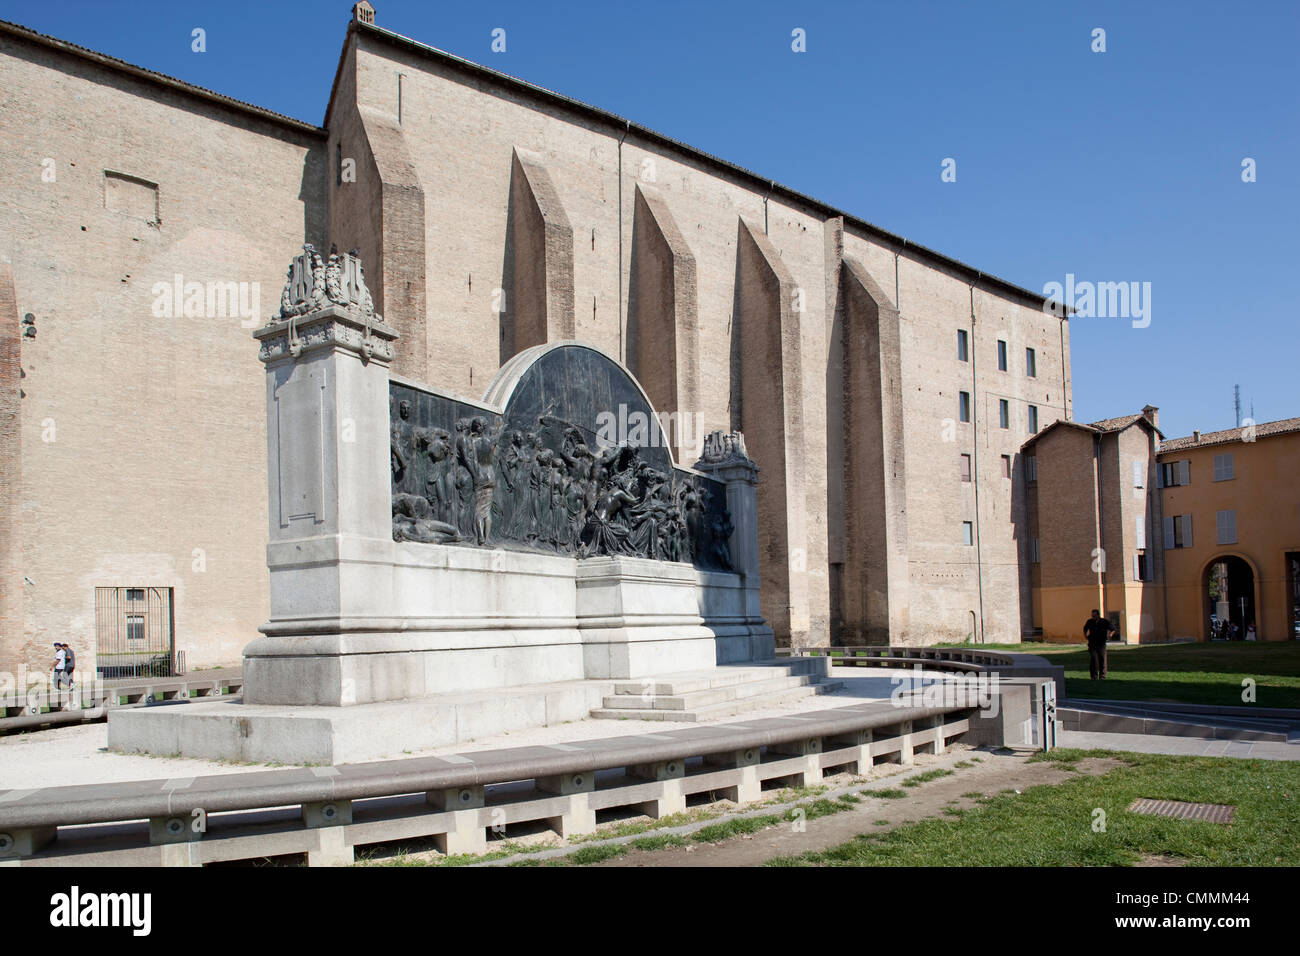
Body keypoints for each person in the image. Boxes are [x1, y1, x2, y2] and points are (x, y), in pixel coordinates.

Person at [1083, 609, 1115, 680]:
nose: (1093, 617)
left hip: (1101, 643)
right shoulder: (1090, 621)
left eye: (1094, 615)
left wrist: (1110, 635)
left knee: (1102, 659)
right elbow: (1085, 628)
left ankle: (1102, 676)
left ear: (1098, 615)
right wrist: (1085, 635)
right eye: (1092, 615)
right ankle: (1093, 676)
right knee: (1093, 659)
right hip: (1092, 643)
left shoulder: (1104, 621)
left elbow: (1113, 629)